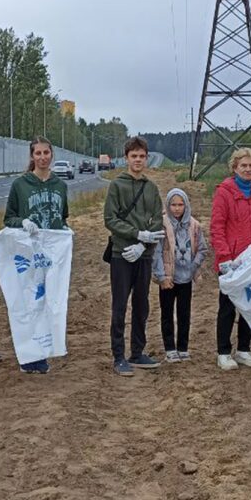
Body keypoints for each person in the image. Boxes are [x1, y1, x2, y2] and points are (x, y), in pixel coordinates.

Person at [4, 137, 69, 374]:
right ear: (32, 156)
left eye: (46, 153)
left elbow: (62, 218)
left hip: (51, 258)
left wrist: (65, 230)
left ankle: (43, 350)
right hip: (28, 257)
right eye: (38, 153)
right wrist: (22, 222)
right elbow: (8, 218)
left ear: (52, 155)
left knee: (49, 302)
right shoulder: (21, 185)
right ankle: (28, 355)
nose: (42, 157)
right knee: (29, 303)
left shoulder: (60, 185)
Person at [103, 136, 165, 376]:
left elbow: (157, 219)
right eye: (133, 156)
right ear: (126, 158)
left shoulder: (151, 188)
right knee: (120, 306)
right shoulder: (117, 185)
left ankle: (137, 352)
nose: (138, 160)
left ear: (146, 158)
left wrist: (143, 244)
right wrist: (136, 234)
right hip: (121, 254)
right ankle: (118, 356)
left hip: (144, 255)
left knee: (142, 305)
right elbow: (111, 219)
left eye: (141, 156)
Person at [209, 147, 251, 372]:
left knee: (250, 306)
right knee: (227, 307)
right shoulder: (224, 192)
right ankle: (223, 352)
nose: (247, 169)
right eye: (243, 165)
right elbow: (217, 226)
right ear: (234, 167)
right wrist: (224, 256)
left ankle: (244, 349)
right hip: (232, 261)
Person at [151, 188, 208, 363]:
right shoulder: (161, 224)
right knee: (167, 313)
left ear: (186, 205)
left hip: (186, 278)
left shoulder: (194, 225)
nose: (177, 208)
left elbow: (203, 249)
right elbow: (157, 252)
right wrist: (161, 276)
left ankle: (183, 348)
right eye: (173, 205)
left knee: (184, 314)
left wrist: (193, 267)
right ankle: (170, 348)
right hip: (168, 279)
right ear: (168, 205)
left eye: (180, 204)